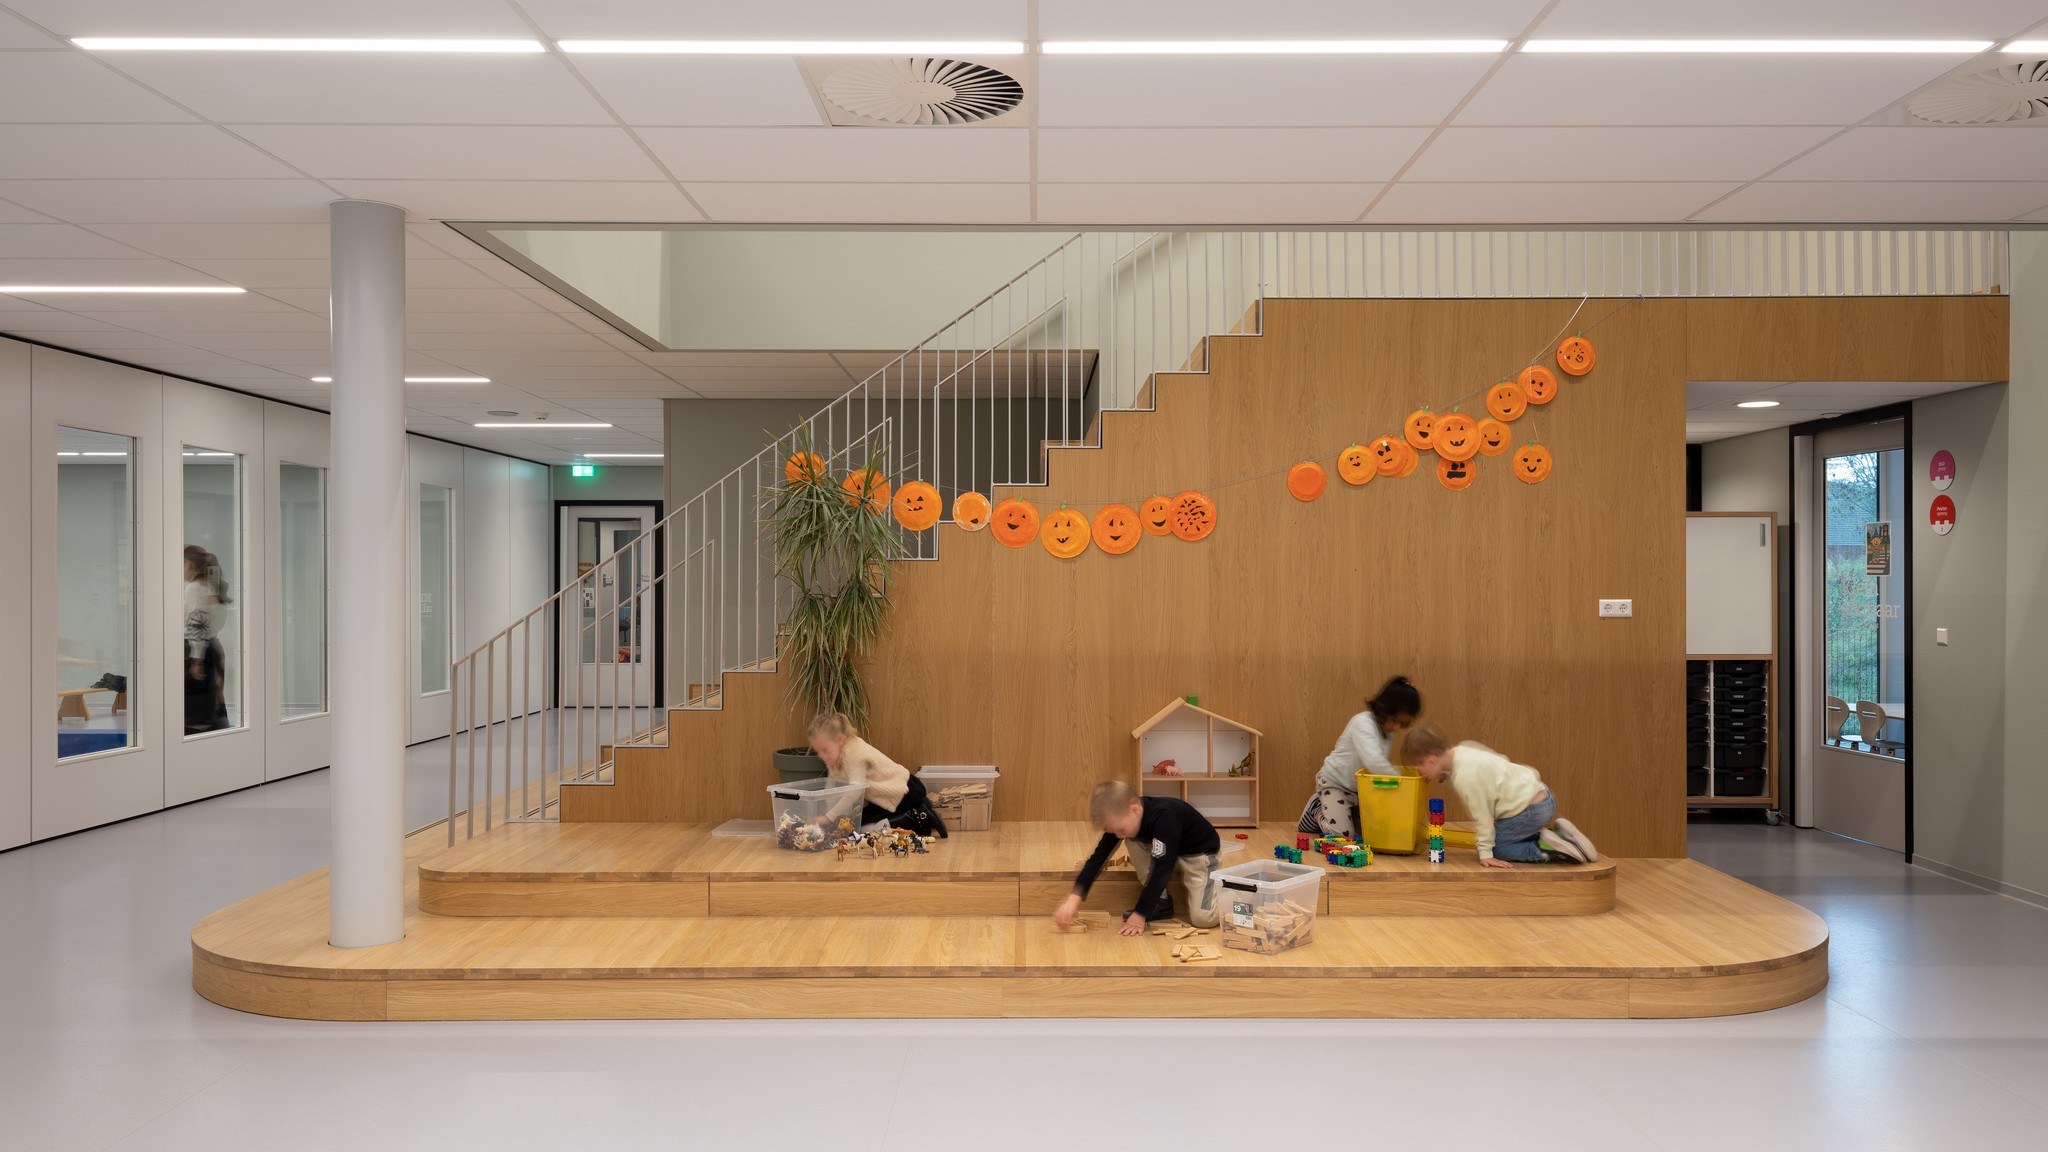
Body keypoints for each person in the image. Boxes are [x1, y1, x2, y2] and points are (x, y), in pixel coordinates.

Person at [1403, 723, 1598, 868]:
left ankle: (1545, 848)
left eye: (1420, 766)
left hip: (1530, 811)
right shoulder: (1464, 749)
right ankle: (1560, 836)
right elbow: (1499, 762)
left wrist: (1486, 853)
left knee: (1498, 848)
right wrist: (1443, 778)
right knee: (1503, 836)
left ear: (1431, 759)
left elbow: (1484, 817)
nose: (1420, 772)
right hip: (1543, 796)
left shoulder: (1466, 777)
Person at [1055, 780, 1222, 936]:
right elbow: (1099, 856)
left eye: (1120, 829)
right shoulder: (1123, 818)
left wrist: (1141, 912)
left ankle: (1233, 895)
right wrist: (1074, 897)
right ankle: (1161, 902)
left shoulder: (1165, 818)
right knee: (1132, 839)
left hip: (1200, 855)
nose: (1118, 835)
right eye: (1114, 832)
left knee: (1203, 919)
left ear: (1134, 809)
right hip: (1170, 852)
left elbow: (1163, 870)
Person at [1298, 675, 1421, 837]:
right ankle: (1316, 809)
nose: (1396, 727)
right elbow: (1375, 762)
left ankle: (1340, 813)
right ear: (1383, 709)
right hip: (1335, 784)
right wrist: (1401, 779)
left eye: (1402, 724)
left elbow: (1378, 765)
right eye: (1395, 720)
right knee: (1343, 835)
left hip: (1359, 792)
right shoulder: (1363, 723)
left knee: (1371, 833)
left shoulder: (1387, 731)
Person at [807, 712, 947, 838]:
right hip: (887, 797)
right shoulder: (834, 758)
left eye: (824, 750)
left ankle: (918, 816)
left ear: (840, 739)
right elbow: (832, 791)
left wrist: (829, 817)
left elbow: (855, 790)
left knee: (860, 830)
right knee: (853, 825)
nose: (821, 756)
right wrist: (831, 819)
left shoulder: (853, 753)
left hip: (904, 792)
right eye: (818, 751)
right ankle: (920, 819)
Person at [182, 545, 231, 735]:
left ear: (187, 564)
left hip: (195, 651)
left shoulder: (194, 589)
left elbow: (197, 625)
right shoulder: (213, 588)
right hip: (212, 647)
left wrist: (196, 661)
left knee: (194, 714)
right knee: (211, 707)